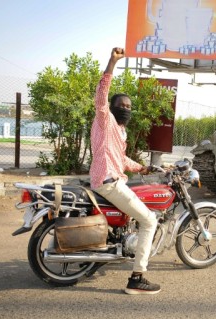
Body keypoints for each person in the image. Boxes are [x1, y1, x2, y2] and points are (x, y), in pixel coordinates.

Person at [90, 47, 160, 295]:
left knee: (136, 211)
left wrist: (144, 167)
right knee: (149, 220)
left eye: (130, 106)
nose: (127, 109)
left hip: (113, 179)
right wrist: (112, 62)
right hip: (108, 181)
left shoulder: (120, 131)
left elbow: (121, 159)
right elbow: (101, 95)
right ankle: (137, 276)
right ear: (111, 107)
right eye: (122, 105)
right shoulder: (105, 119)